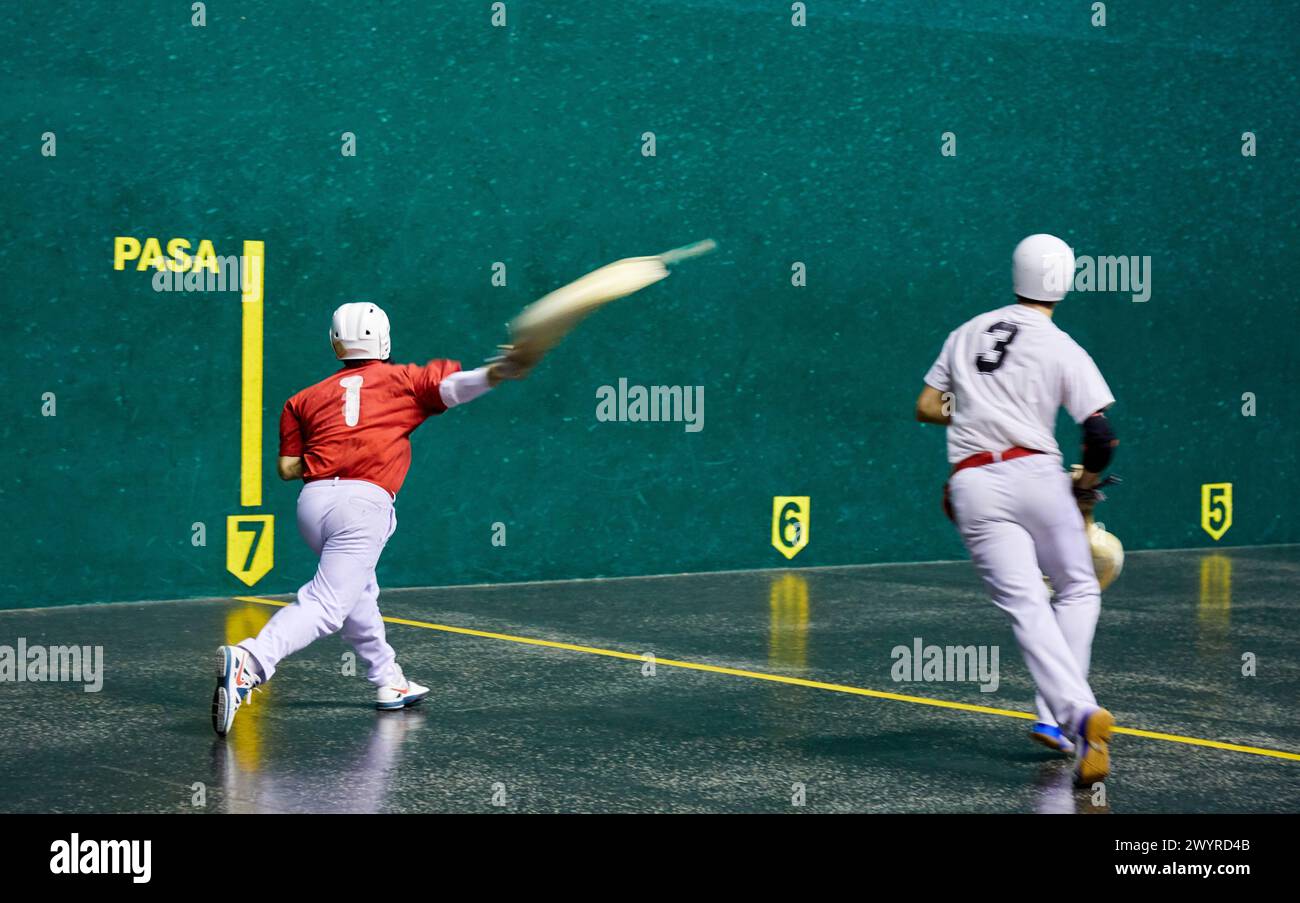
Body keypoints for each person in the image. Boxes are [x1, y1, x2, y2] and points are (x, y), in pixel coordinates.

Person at [212, 302, 531, 736]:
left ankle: (388, 681)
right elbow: (457, 388)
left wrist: (333, 455)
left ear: (335, 343)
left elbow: (286, 469)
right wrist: (500, 370)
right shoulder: (402, 380)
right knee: (326, 605)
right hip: (362, 507)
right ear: (384, 340)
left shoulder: (302, 399)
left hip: (313, 505)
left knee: (358, 594)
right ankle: (251, 660)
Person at [915, 234, 1120, 785]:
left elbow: (928, 406)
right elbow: (1100, 436)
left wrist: (977, 409)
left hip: (973, 482)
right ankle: (1056, 714)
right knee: (1077, 587)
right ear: (1066, 281)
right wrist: (1088, 484)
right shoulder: (1061, 345)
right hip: (1037, 475)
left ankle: (1073, 717)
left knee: (1028, 605)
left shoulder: (967, 332)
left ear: (1015, 274)